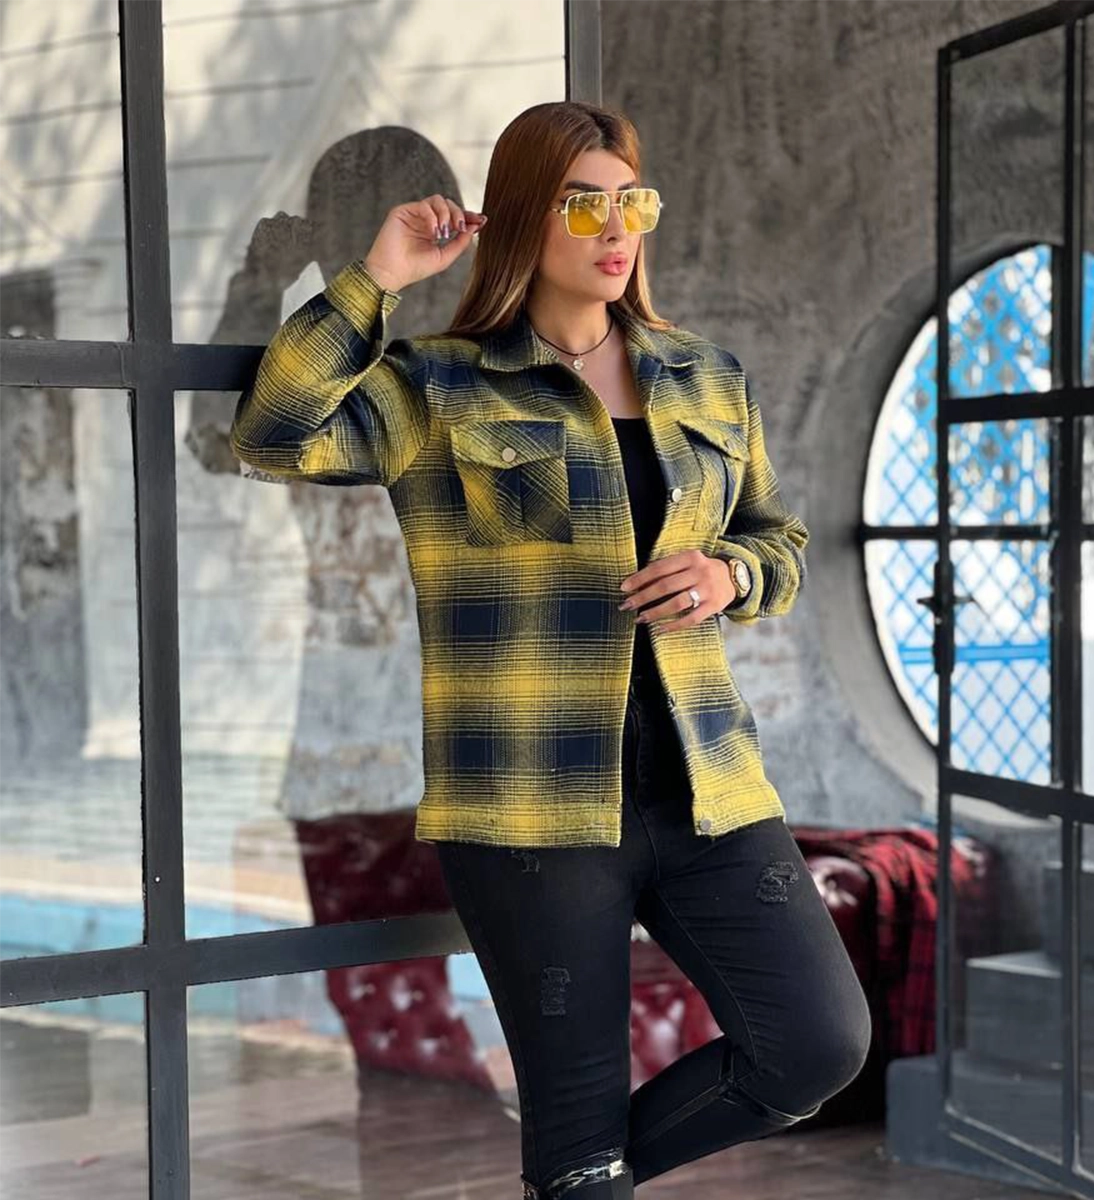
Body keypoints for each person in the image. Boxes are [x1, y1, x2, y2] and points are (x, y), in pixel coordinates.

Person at [229, 99, 872, 1199]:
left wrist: (732, 575)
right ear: (527, 217)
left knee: (818, 1043)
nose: (616, 229)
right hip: (529, 811)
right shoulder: (437, 386)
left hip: (709, 789)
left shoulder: (708, 378)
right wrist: (377, 279)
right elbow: (271, 434)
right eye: (583, 206)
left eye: (632, 202)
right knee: (579, 1141)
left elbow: (780, 541)